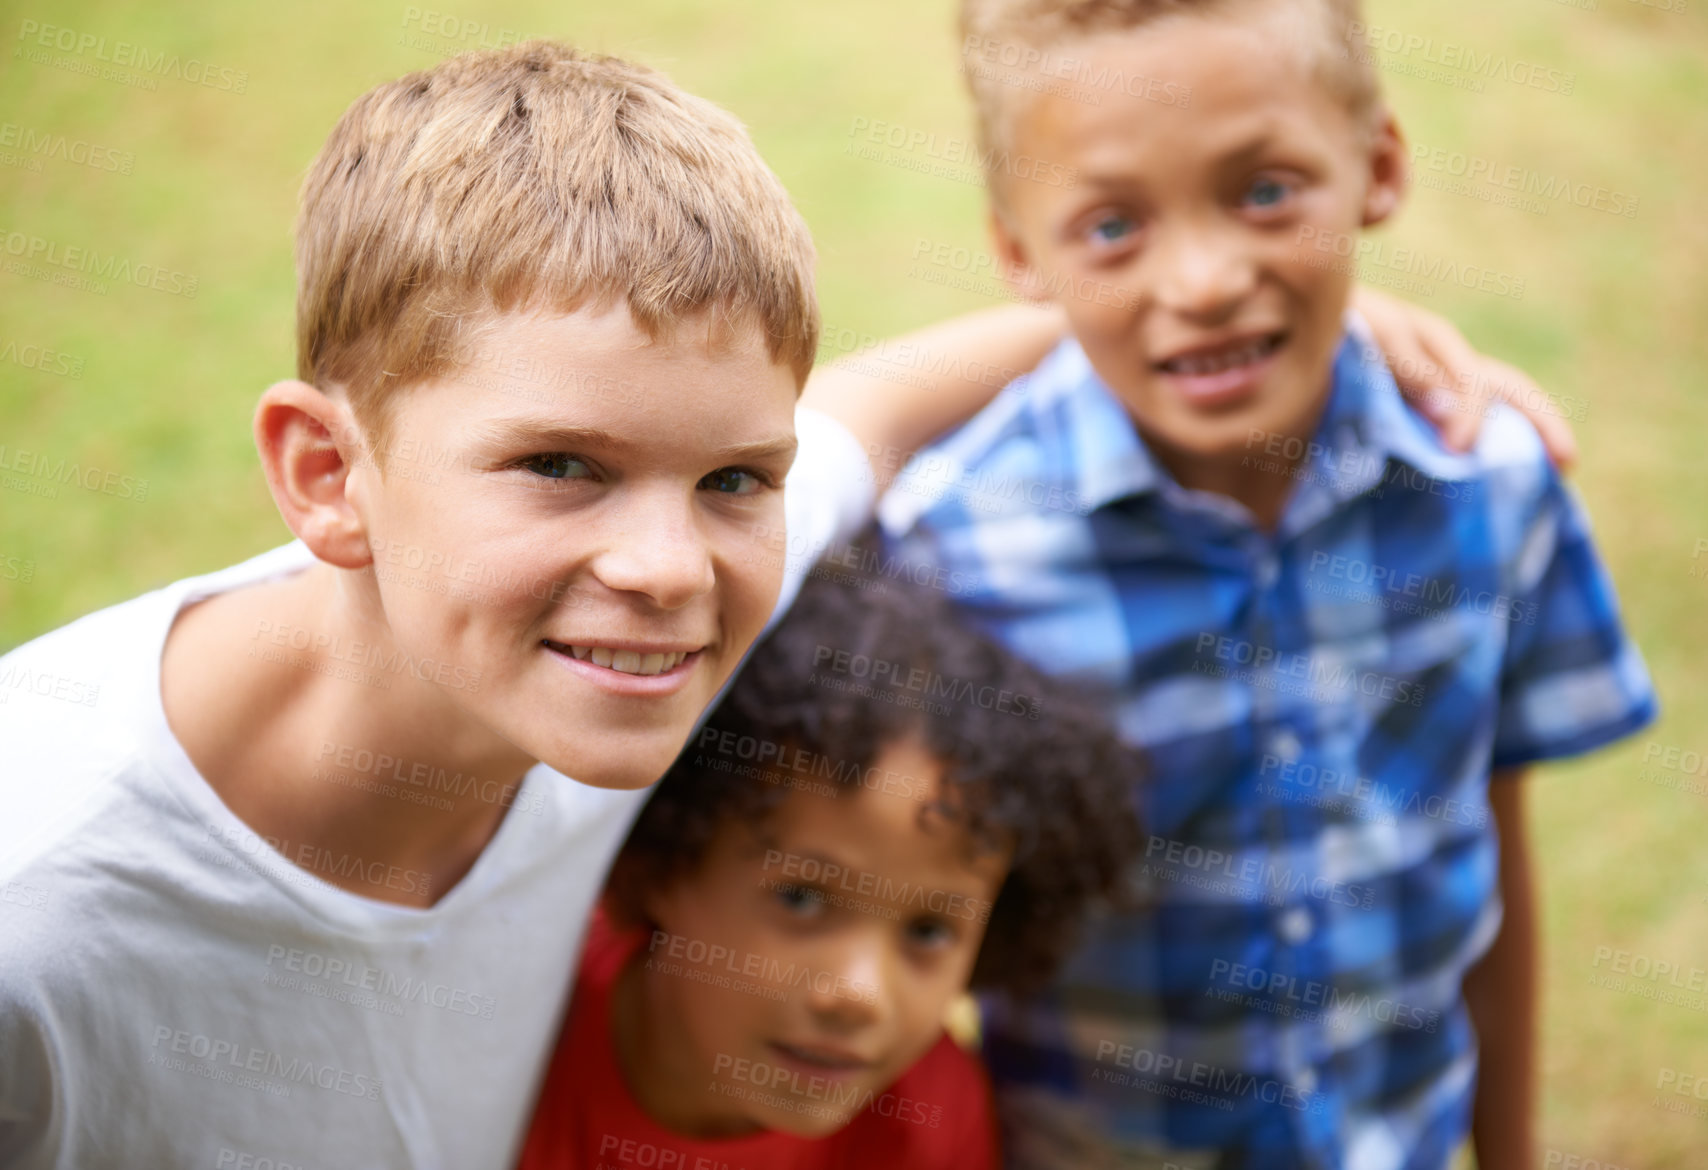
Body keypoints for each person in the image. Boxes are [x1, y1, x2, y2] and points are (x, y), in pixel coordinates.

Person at [0, 29, 1573, 1170]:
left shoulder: (615, 640)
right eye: (557, 462)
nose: (670, 568)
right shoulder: (43, 918)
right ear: (327, 474)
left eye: (736, 481)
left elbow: (872, 411)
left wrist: (1320, 324)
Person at [808, 2, 1659, 1167]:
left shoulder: (1489, 485)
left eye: (1264, 192)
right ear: (1017, 251)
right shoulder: (947, 556)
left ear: (1378, 166)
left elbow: (1488, 860)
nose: (1204, 281)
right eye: (1111, 225)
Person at [517, 559, 1142, 1169]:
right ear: (657, 863)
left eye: (929, 931)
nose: (859, 995)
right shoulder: (519, 1019)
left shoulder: (929, 1122)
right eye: (801, 898)